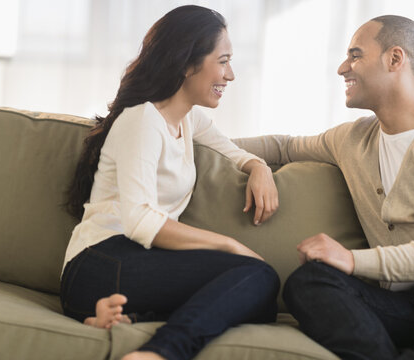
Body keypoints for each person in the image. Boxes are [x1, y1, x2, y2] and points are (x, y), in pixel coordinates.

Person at [234, 15, 414, 359]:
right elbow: (281, 147)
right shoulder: (352, 138)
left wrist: (351, 260)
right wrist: (225, 152)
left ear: (395, 59)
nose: (343, 67)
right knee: (308, 282)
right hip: (403, 304)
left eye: (355, 55)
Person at [62, 5, 280, 360]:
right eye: (223, 61)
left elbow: (235, 152)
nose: (231, 75)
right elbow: (140, 221)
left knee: (260, 299)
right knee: (256, 276)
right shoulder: (142, 119)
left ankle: (126, 317)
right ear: (186, 63)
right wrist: (227, 245)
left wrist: (260, 168)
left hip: (132, 271)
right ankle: (160, 353)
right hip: (98, 263)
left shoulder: (188, 120)